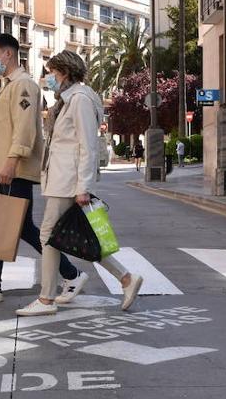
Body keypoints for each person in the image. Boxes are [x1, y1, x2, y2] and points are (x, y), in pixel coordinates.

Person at [0, 34, 86, 304]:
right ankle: (71, 274)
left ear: (8, 54)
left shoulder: (24, 85)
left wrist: (12, 161)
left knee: (1, 225)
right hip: (3, 168)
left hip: (11, 169)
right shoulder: (9, 86)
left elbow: (26, 127)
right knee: (21, 227)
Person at [16, 51, 143, 316]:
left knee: (49, 235)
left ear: (64, 72)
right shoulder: (67, 100)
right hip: (61, 179)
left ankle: (46, 299)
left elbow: (88, 146)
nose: (48, 78)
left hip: (69, 180)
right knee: (73, 237)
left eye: (51, 72)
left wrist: (83, 187)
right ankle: (126, 279)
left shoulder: (81, 99)